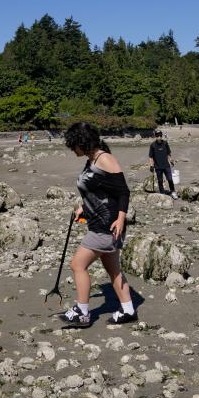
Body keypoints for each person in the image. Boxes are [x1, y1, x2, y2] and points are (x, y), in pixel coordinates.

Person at [59, 122, 137, 327]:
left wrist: (121, 218)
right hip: (99, 222)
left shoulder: (106, 159)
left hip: (107, 225)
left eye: (73, 145)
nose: (72, 149)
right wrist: (83, 209)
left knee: (77, 265)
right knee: (113, 270)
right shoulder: (91, 160)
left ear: (82, 143)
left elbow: (123, 192)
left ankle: (82, 312)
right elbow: (98, 191)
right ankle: (128, 309)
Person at [148, 130, 178, 200]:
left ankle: (173, 192)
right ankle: (162, 193)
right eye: (158, 136)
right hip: (158, 166)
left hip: (166, 166)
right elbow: (151, 156)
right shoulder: (153, 145)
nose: (159, 137)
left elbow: (169, 153)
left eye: (160, 135)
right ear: (155, 136)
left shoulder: (165, 143)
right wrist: (151, 165)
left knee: (170, 179)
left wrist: (171, 160)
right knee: (160, 181)